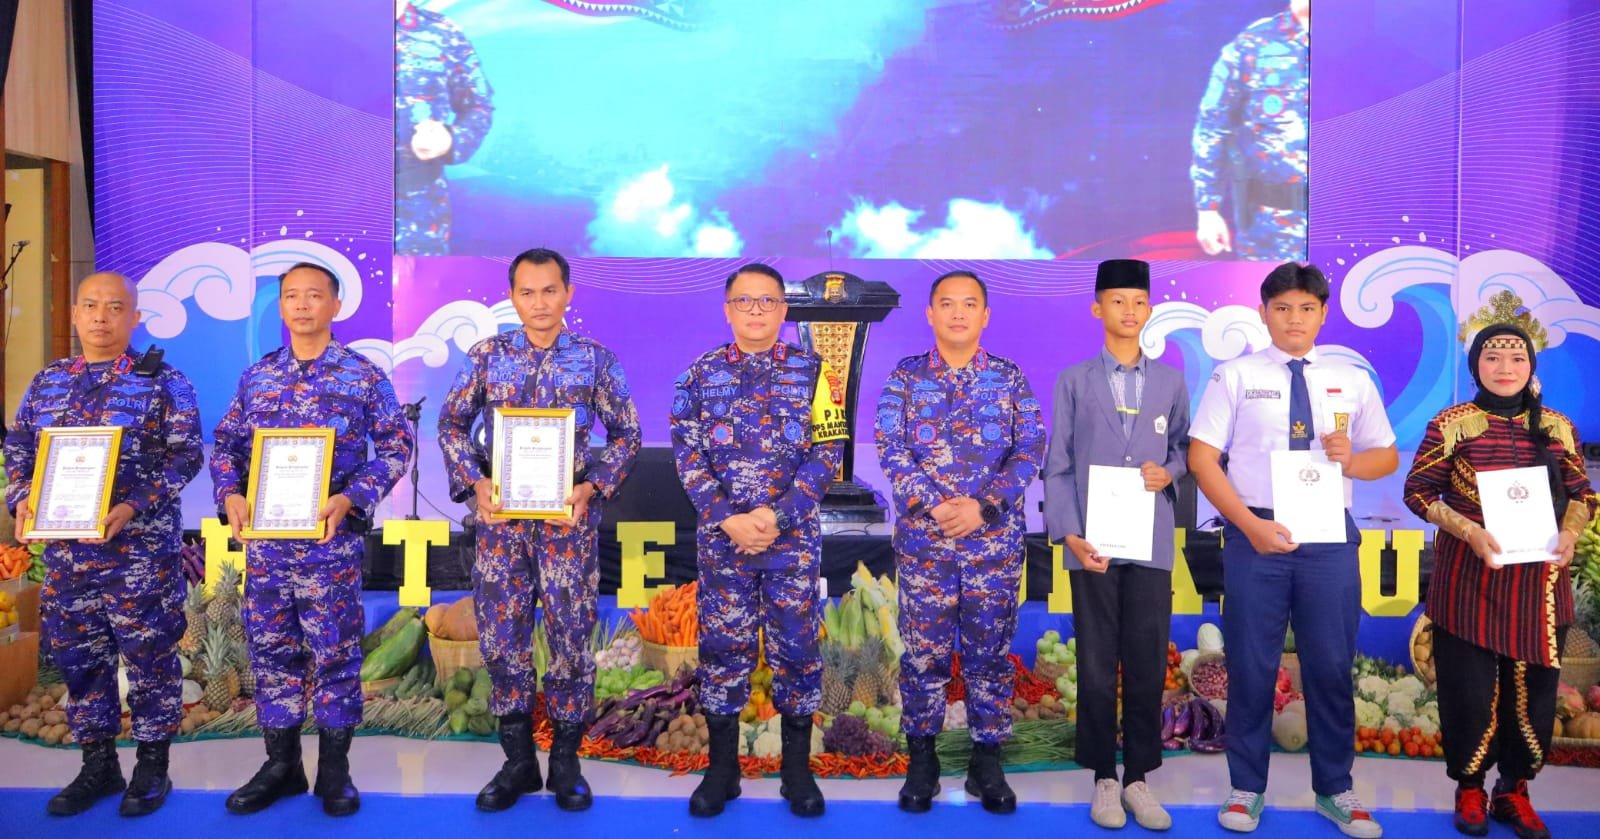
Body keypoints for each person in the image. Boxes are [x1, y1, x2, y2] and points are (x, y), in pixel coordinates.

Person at [1188, 262, 1396, 837]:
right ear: (1263, 312)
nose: (1294, 319)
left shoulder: (1349, 379)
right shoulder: (1234, 376)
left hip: (1328, 536)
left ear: (1323, 314)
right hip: (1255, 534)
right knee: (1251, 666)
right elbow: (1202, 459)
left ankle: (1336, 790)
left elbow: (1386, 455)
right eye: (1282, 308)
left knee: (1329, 666)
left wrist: (1350, 460)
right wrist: (1249, 527)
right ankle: (1245, 789)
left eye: (1306, 308)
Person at [438, 247, 641, 812]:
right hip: (501, 530)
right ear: (512, 297)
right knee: (503, 645)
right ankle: (518, 762)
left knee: (572, 643)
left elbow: (627, 433)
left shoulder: (595, 360)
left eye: (550, 290)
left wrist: (591, 487)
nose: (539, 303)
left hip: (566, 530)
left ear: (568, 293)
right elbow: (451, 422)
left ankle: (567, 764)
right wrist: (474, 482)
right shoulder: (487, 356)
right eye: (527, 292)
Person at [210, 262, 415, 817]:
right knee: (272, 653)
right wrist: (230, 492)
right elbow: (225, 443)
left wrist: (352, 498)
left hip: (330, 544)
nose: (302, 305)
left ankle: (334, 768)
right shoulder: (258, 377)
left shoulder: (361, 375)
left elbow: (397, 446)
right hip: (268, 546)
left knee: (334, 654)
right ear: (280, 307)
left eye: (314, 295)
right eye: (292, 296)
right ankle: (281, 765)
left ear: (336, 305)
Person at [5, 272, 203, 817]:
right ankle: (98, 766)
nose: (100, 316)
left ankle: (152, 769)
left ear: (134, 318)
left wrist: (133, 505)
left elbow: (186, 456)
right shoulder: (48, 383)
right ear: (74, 314)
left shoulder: (164, 382)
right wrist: (21, 498)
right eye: (90, 305)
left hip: (138, 554)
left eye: (115, 307)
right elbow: (19, 446)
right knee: (80, 660)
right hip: (67, 556)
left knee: (150, 659)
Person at [1402, 314, 1590, 839]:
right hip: (1469, 578)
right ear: (1475, 365)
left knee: (1532, 693)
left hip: (1538, 586)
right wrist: (1469, 532)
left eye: (1516, 358)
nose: (1504, 367)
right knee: (1469, 689)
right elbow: (1417, 493)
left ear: (1530, 367)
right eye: (1492, 357)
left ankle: (1514, 790)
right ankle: (1469, 790)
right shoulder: (1451, 423)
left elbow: (1583, 496)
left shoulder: (1556, 427)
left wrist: (1570, 534)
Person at [669, 263, 846, 817]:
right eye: (744, 302)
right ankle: (722, 772)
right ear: (727, 310)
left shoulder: (817, 372)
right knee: (723, 652)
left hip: (791, 542)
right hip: (724, 543)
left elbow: (829, 451)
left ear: (783, 310)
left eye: (766, 302)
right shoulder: (699, 375)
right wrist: (728, 518)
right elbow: (687, 453)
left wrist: (779, 516)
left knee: (798, 650)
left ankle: (797, 773)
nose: (755, 311)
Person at [875, 270, 1046, 814]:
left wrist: (983, 506)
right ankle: (921, 760)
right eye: (946, 304)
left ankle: (985, 761)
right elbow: (890, 448)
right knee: (923, 655)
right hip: (926, 546)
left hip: (991, 547)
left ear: (985, 315)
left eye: (969, 304)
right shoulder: (905, 378)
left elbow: (1030, 450)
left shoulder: (1008, 378)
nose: (957, 313)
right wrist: (936, 505)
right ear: (929, 314)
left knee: (989, 655)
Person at [1042, 259, 1189, 830]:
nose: (1129, 312)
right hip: (1092, 546)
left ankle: (1139, 780)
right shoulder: (1074, 381)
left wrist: (1169, 473)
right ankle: (1104, 776)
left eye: (1138, 302)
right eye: (1117, 301)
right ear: (1097, 308)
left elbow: (1183, 452)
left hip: (1149, 543)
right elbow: (1058, 468)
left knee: (1148, 661)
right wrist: (1070, 535)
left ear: (1149, 310)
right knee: (1099, 663)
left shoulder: (1172, 380)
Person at [1191, 0, 1309, 261]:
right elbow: (1212, 126)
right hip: (1272, 232)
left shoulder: (1364, 45)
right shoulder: (1252, 44)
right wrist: (1208, 209)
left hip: (1351, 222)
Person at [395, 0, 493, 256]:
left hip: (417, 218)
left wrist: (450, 140)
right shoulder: (319, 30)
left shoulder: (442, 33)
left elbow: (479, 105)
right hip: (332, 210)